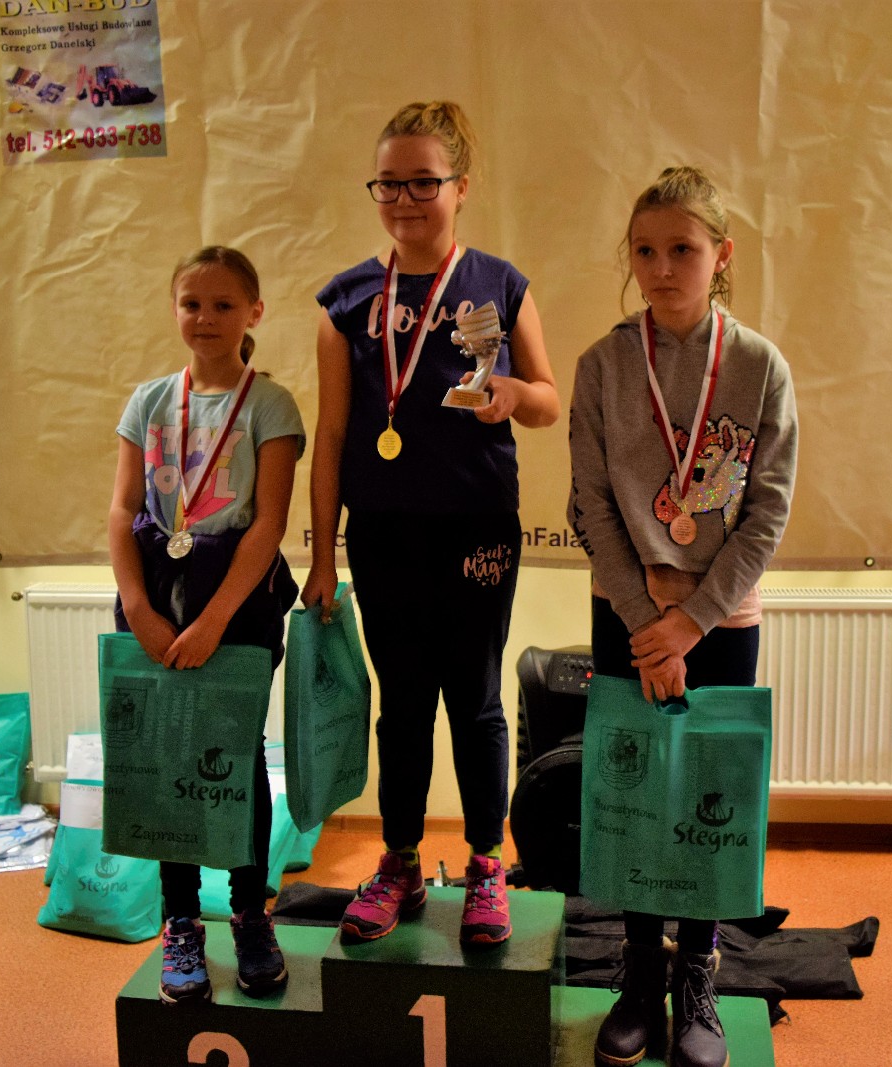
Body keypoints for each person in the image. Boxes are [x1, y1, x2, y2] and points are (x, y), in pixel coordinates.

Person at [302, 100, 560, 948]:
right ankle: (401, 861)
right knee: (404, 704)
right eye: (389, 183)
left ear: (461, 186)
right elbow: (331, 436)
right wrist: (321, 555)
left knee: (476, 701)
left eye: (424, 182)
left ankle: (486, 865)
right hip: (384, 534)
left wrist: (512, 394)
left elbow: (548, 401)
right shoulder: (346, 301)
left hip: (478, 529)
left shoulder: (501, 284)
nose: (405, 199)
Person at [567, 167, 798, 1067]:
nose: (662, 268)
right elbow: (591, 505)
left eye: (683, 250)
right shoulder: (602, 364)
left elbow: (766, 513)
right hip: (627, 612)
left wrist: (692, 623)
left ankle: (697, 972)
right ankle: (637, 973)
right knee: (633, 795)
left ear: (721, 255)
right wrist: (644, 622)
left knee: (706, 799)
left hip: (720, 617)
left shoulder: (759, 366)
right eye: (645, 251)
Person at [107, 246, 305, 1005]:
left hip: (238, 602)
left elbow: (269, 524)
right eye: (192, 303)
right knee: (166, 759)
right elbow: (122, 510)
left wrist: (216, 620)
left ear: (254, 312)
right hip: (157, 596)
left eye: (224, 305)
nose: (206, 318)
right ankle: (180, 920)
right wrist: (137, 607)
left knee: (234, 756)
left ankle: (250, 913)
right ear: (175, 309)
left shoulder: (270, 405)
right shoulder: (148, 402)